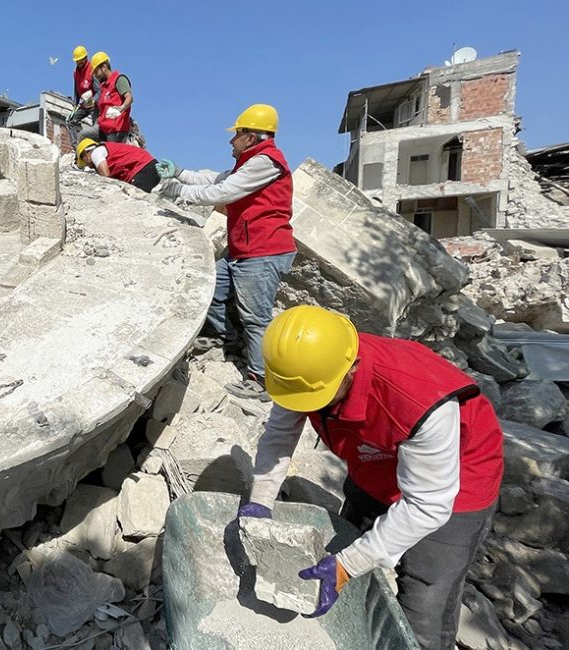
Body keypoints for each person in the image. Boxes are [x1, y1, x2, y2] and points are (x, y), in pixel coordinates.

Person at [239, 305, 503, 650]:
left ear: (351, 370)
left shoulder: (418, 399)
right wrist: (259, 501)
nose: (303, 405)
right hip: (375, 459)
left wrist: (348, 565)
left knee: (424, 597)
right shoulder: (305, 366)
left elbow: (427, 506)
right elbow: (279, 434)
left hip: (456, 482)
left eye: (313, 398)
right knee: (346, 549)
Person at [155, 104, 295, 400]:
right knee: (212, 289)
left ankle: (261, 380)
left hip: (263, 251)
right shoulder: (251, 162)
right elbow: (214, 179)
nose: (231, 140)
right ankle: (227, 342)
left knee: (255, 318)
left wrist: (178, 192)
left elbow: (223, 193)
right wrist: (180, 173)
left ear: (252, 137)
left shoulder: (266, 162)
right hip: (244, 251)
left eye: (236, 134)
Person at [77, 51, 133, 144]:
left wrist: (122, 107)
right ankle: (79, 158)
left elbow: (129, 98)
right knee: (82, 136)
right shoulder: (103, 87)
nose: (95, 75)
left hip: (116, 131)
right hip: (103, 128)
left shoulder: (119, 79)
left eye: (96, 71)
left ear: (104, 67)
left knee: (110, 155)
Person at [76, 138, 160, 192]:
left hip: (142, 169)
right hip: (148, 167)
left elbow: (106, 177)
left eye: (84, 161)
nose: (87, 165)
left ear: (86, 154)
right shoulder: (104, 150)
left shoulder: (96, 152)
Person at [66, 45, 99, 147]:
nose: (79, 63)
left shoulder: (92, 69)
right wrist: (75, 107)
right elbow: (76, 90)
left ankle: (96, 147)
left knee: (95, 128)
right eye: (77, 61)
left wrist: (93, 102)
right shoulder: (76, 73)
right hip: (84, 104)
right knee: (69, 122)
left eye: (81, 60)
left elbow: (99, 91)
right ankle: (77, 147)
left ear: (86, 58)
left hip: (94, 104)